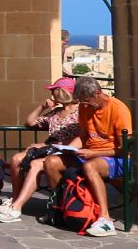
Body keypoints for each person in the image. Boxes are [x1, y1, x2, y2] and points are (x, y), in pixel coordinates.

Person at [40, 75, 132, 237]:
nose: (84, 106)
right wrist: (66, 149)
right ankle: (61, 207)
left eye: (86, 101)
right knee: (52, 162)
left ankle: (105, 220)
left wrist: (93, 153)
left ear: (97, 93)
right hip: (88, 153)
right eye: (82, 102)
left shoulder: (119, 110)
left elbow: (123, 149)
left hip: (115, 157)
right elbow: (83, 137)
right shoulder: (85, 107)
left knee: (91, 166)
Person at [0, 77, 79, 224]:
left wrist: (48, 146)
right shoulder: (55, 113)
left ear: (62, 92)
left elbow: (80, 138)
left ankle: (16, 207)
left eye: (54, 90)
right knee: (16, 159)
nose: (52, 94)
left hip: (66, 152)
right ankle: (16, 198)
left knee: (36, 164)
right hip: (49, 150)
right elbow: (30, 122)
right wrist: (42, 107)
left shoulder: (80, 113)